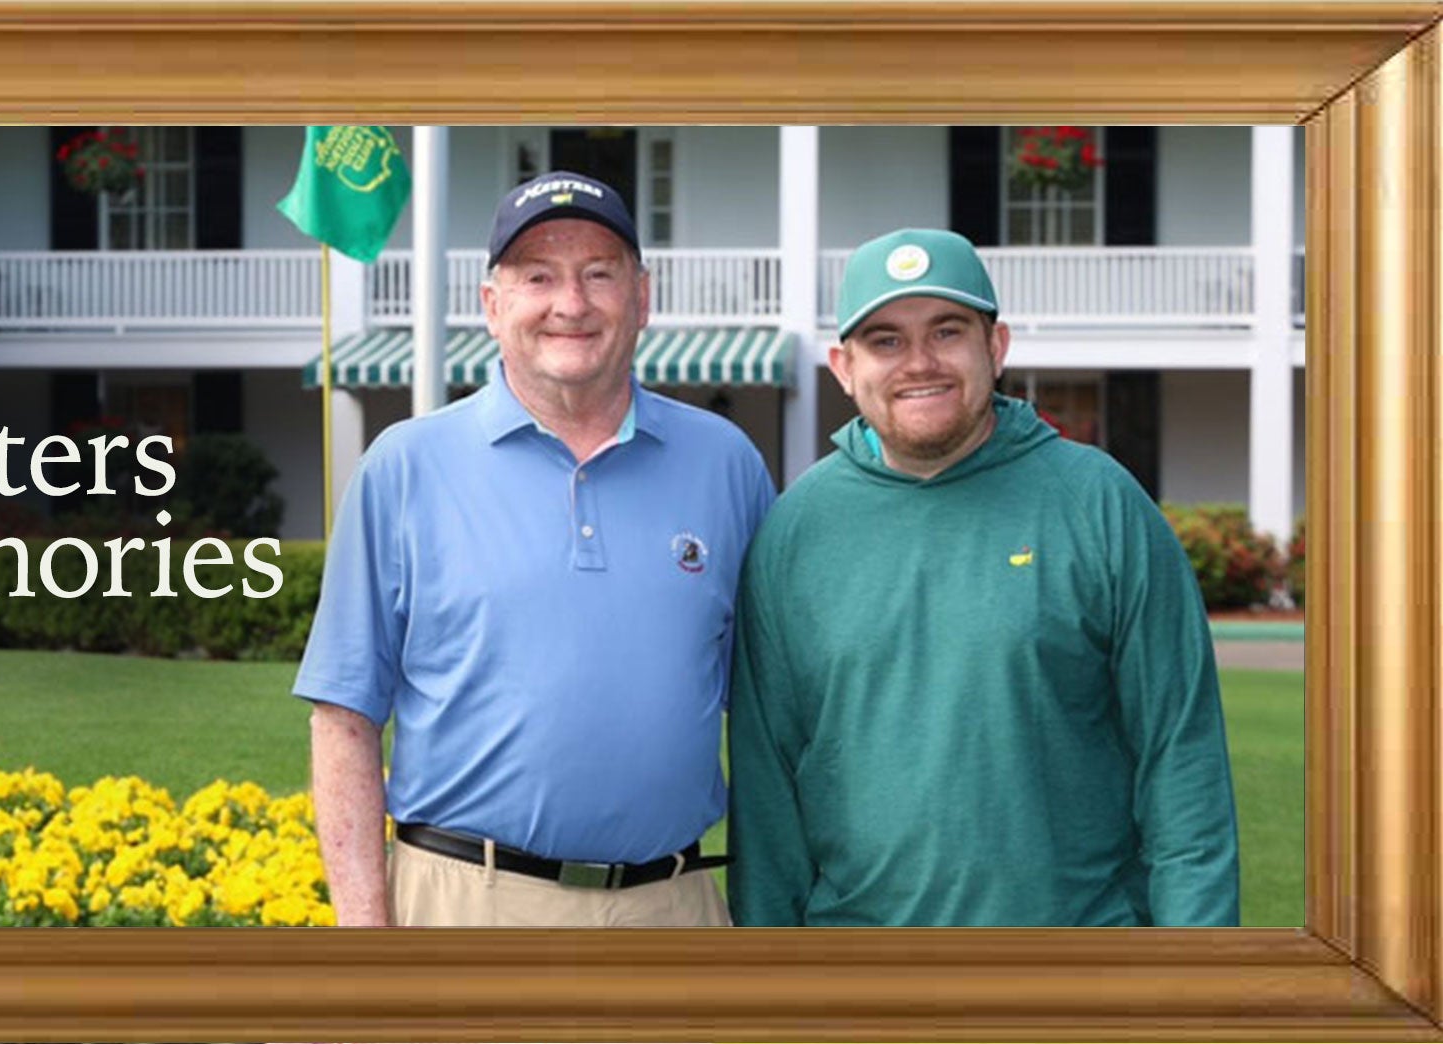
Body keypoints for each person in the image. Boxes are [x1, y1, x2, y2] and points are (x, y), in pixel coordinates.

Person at [294, 171, 775, 927]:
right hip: (463, 907)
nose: (571, 304)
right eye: (537, 277)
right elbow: (343, 717)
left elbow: (771, 711)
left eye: (598, 274)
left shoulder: (728, 465)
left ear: (641, 299)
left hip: (673, 911)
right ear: (492, 306)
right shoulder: (404, 466)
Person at [727, 228, 1239, 927]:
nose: (919, 363)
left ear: (995, 348)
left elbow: (1182, 766)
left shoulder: (1100, 503)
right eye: (886, 340)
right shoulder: (794, 532)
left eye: (946, 331)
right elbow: (767, 797)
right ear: (843, 367)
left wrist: (1198, 985)